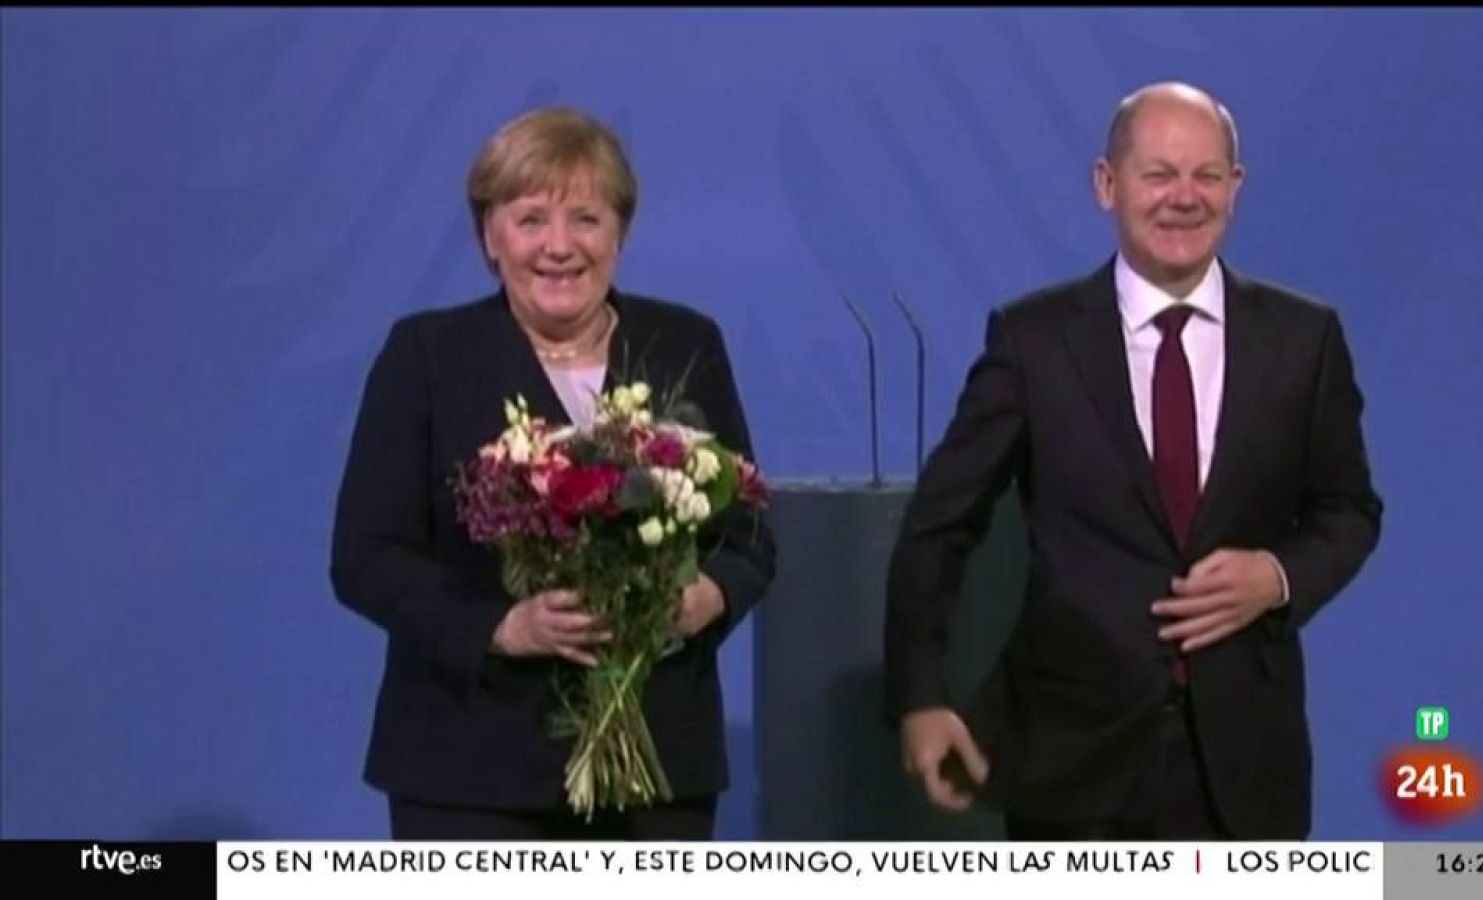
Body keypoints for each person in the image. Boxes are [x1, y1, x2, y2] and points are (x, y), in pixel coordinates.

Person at [884, 82, 1382, 840]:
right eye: (1159, 175)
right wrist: (921, 696)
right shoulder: (1034, 341)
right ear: (1106, 185)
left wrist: (1276, 577)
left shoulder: (1305, 339)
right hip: (1071, 767)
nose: (1184, 197)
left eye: (1206, 176)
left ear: (1235, 188)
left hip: (1246, 769)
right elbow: (938, 527)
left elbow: (1349, 512)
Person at [331, 106, 775, 840]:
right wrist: (502, 626)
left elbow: (750, 530)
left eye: (586, 219)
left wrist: (710, 595)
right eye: (531, 218)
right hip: (472, 768)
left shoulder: (684, 342)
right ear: (489, 237)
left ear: (620, 234)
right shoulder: (428, 357)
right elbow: (365, 558)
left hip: (659, 770)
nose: (559, 247)